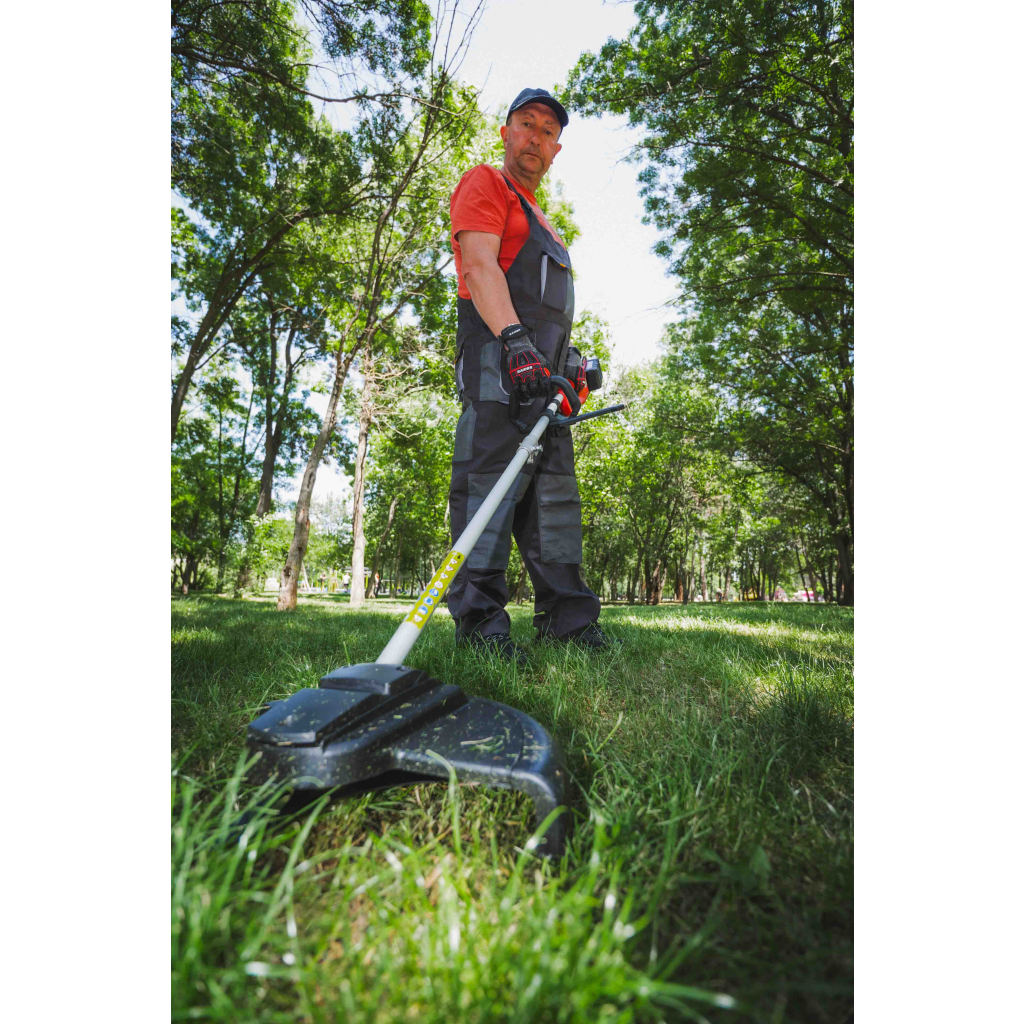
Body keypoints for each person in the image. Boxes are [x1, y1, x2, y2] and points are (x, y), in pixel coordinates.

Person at [446, 87, 615, 663]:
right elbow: (479, 266)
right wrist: (515, 342)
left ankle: (569, 624)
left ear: (556, 149)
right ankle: (481, 629)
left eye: (548, 131)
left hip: (547, 387)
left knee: (554, 506)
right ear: (506, 133)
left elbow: (549, 314)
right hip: (499, 372)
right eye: (526, 124)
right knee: (486, 494)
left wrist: (571, 369)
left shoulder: (545, 220)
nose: (536, 137)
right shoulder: (486, 184)